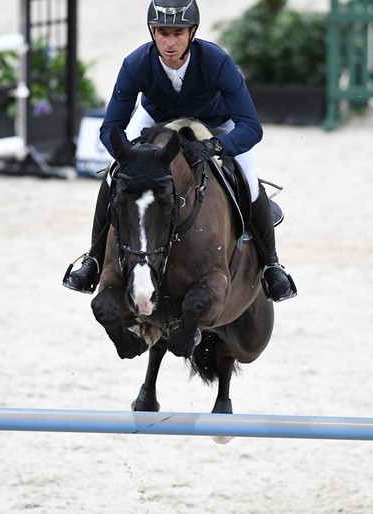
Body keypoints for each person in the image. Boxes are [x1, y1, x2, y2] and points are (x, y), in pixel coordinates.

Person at [63, 0, 295, 302]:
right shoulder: (135, 64)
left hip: (215, 122)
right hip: (157, 119)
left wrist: (214, 146)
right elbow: (111, 129)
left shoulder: (216, 62)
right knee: (113, 175)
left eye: (177, 33)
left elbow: (251, 126)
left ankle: (271, 266)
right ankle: (93, 260)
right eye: (161, 33)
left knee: (249, 181)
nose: (169, 43)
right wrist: (131, 156)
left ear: (192, 32)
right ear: (152, 32)